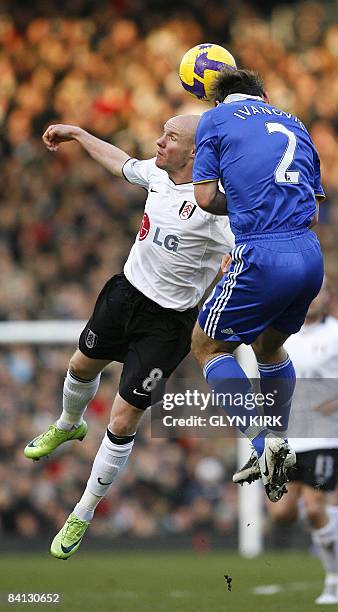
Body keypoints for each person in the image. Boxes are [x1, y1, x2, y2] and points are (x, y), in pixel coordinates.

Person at [24, 116, 234, 559]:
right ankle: (68, 425)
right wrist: (80, 135)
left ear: (196, 152)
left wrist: (230, 269)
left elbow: (243, 250)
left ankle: (82, 511)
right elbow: (120, 163)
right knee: (80, 366)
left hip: (168, 325)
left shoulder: (217, 209)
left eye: (171, 137)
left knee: (122, 421)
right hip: (125, 296)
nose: (159, 141)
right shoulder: (158, 173)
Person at [191, 69, 325, 503]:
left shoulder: (214, 120)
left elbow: (206, 197)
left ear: (219, 100)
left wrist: (247, 198)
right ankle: (279, 439)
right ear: (263, 95)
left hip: (262, 253)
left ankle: (260, 441)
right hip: (309, 254)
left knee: (208, 346)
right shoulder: (295, 121)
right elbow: (313, 209)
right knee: (269, 347)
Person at [233, 280, 338, 605]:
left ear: (329, 296)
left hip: (323, 435)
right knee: (282, 513)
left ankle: (336, 582)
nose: (315, 299)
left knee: (313, 509)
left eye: (322, 292)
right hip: (286, 437)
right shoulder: (280, 331)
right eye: (310, 293)